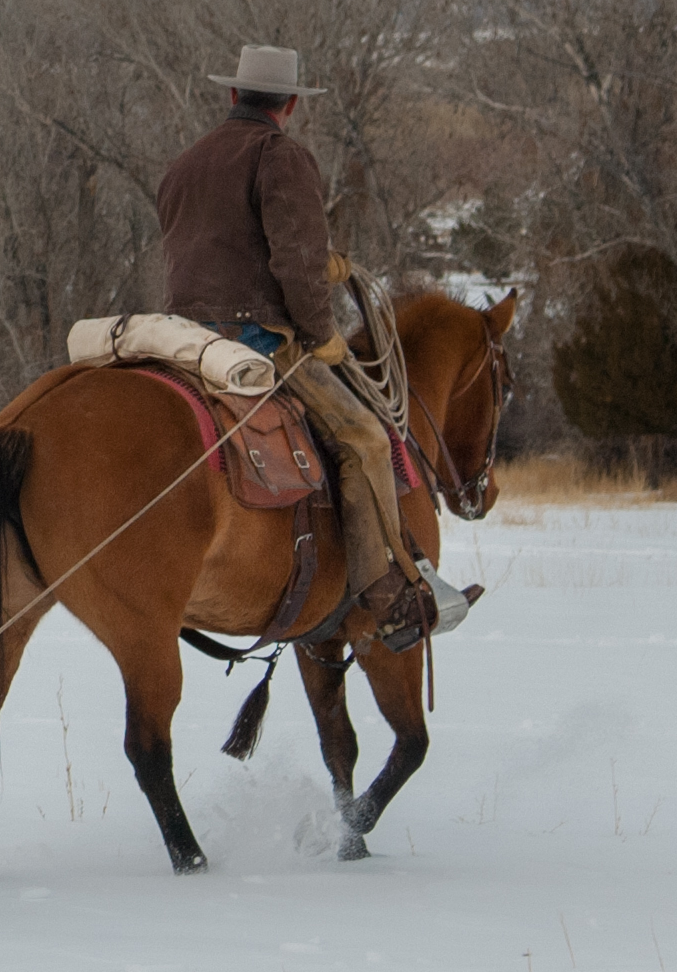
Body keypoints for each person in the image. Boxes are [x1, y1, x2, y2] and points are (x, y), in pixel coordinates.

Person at [154, 43, 466, 644]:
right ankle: (384, 595)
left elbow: (221, 249)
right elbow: (294, 263)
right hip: (255, 338)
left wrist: (325, 264)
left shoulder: (185, 163)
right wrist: (322, 337)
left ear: (233, 94)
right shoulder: (281, 156)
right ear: (291, 104)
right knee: (366, 438)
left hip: (181, 338)